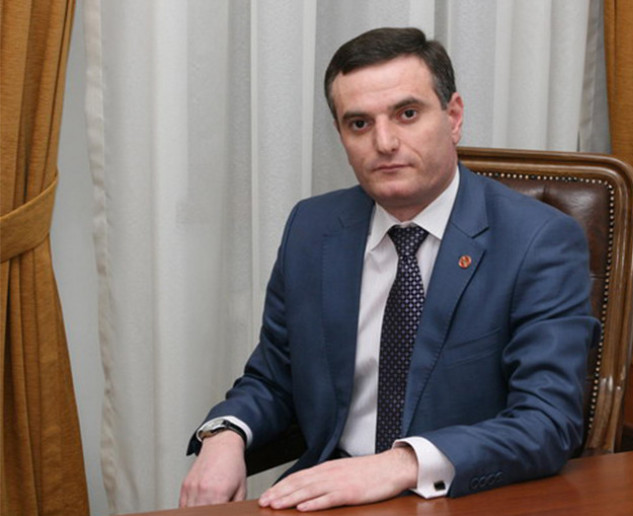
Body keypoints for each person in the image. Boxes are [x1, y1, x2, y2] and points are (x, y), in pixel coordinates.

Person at [179, 27, 598, 512]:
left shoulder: (538, 241)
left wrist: (400, 464)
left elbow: (547, 421)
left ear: (453, 117)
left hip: (460, 496)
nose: (384, 142)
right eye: (359, 123)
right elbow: (275, 377)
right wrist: (226, 434)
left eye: (407, 114)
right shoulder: (312, 228)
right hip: (329, 492)